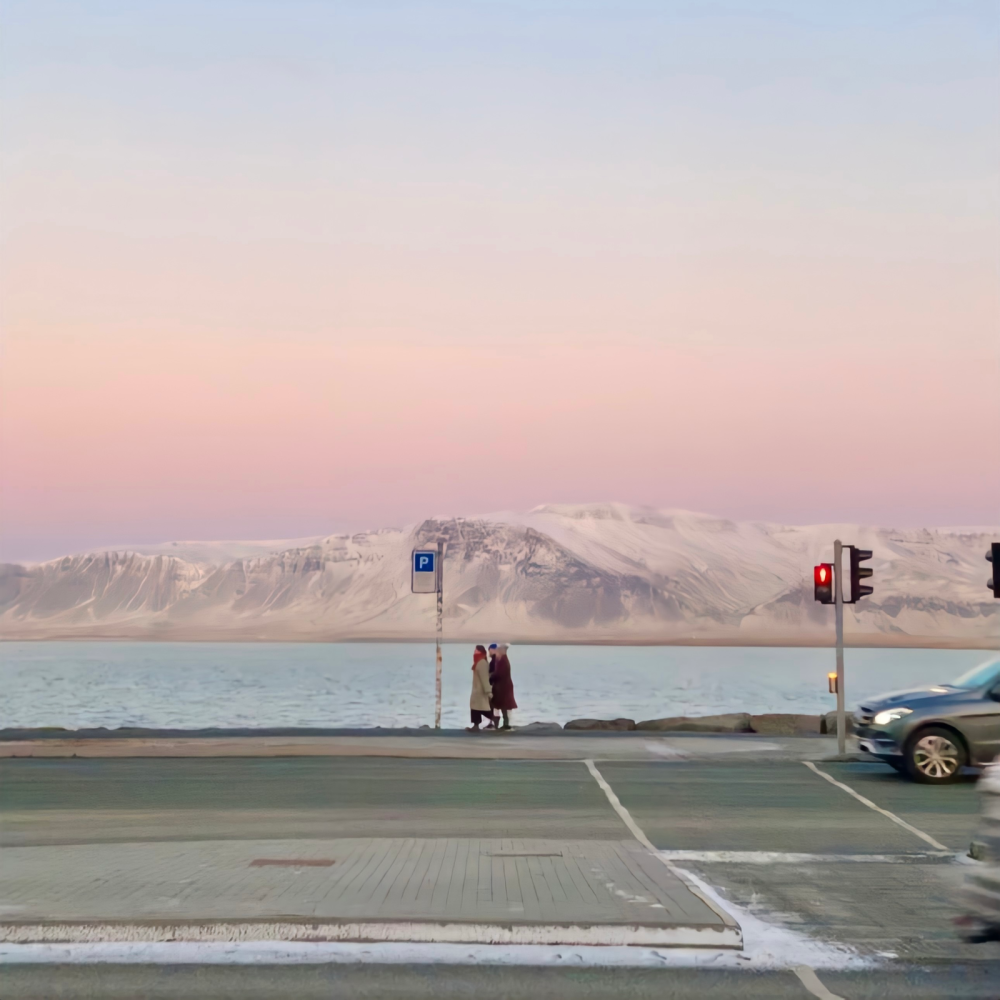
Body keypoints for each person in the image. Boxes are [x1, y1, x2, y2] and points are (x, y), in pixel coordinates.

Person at [490, 642, 517, 731]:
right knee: (502, 705)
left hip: (503, 687)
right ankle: (504, 724)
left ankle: (505, 724)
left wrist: (490, 677)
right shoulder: (502, 660)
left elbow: (499, 673)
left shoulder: (503, 661)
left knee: (503, 705)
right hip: (502, 686)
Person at [467, 645, 493, 732]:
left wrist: (488, 691)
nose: (474, 653)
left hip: (480, 691)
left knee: (483, 709)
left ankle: (493, 721)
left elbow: (485, 678)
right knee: (476, 709)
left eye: (476, 651)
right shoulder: (479, 662)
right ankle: (476, 725)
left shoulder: (482, 663)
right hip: (477, 691)